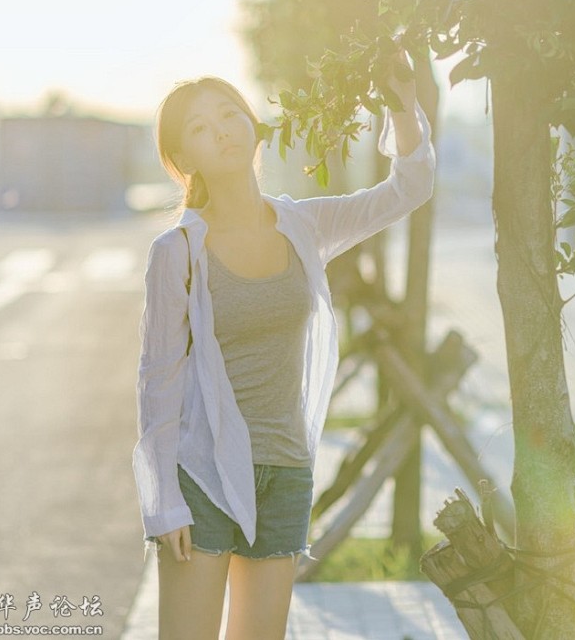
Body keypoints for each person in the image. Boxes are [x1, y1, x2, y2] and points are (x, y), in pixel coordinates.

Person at [132, 51, 436, 640]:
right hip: (204, 474)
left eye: (228, 113)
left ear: (252, 123)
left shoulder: (305, 226)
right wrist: (163, 501)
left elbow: (410, 188)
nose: (219, 129)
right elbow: (158, 380)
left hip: (286, 470)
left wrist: (401, 104)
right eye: (199, 127)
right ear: (182, 158)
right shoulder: (177, 253)